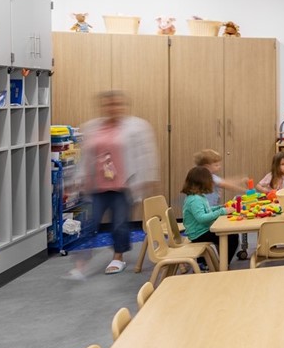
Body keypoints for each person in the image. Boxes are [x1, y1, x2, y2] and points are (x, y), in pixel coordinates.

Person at [69, 90, 159, 279]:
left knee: (119, 224)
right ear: (103, 107)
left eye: (117, 104)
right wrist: (78, 180)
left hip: (123, 186)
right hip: (97, 186)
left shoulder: (137, 127)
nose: (113, 108)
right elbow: (85, 156)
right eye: (109, 104)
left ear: (123, 106)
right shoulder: (92, 127)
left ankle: (118, 257)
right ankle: (81, 263)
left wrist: (148, 178)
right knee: (88, 224)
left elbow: (146, 154)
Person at [179, 166, 234, 265]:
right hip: (199, 234)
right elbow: (202, 218)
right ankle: (222, 264)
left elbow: (206, 210)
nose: (212, 184)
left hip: (202, 230)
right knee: (231, 237)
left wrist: (220, 207)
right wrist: (222, 211)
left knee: (230, 235)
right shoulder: (195, 199)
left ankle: (220, 263)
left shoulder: (199, 196)